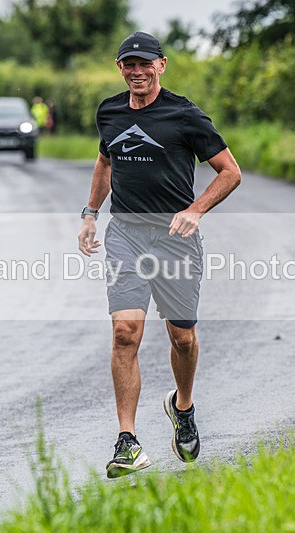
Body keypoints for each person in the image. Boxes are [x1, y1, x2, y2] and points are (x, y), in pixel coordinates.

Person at [77, 31, 241, 478]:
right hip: (126, 235)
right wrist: (91, 213)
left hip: (175, 239)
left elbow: (230, 172)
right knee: (125, 332)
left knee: (182, 337)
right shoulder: (109, 112)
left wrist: (195, 210)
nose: (137, 72)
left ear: (161, 65)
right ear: (119, 68)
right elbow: (106, 161)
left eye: (145, 64)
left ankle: (182, 406)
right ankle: (127, 440)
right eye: (129, 64)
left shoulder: (185, 115)